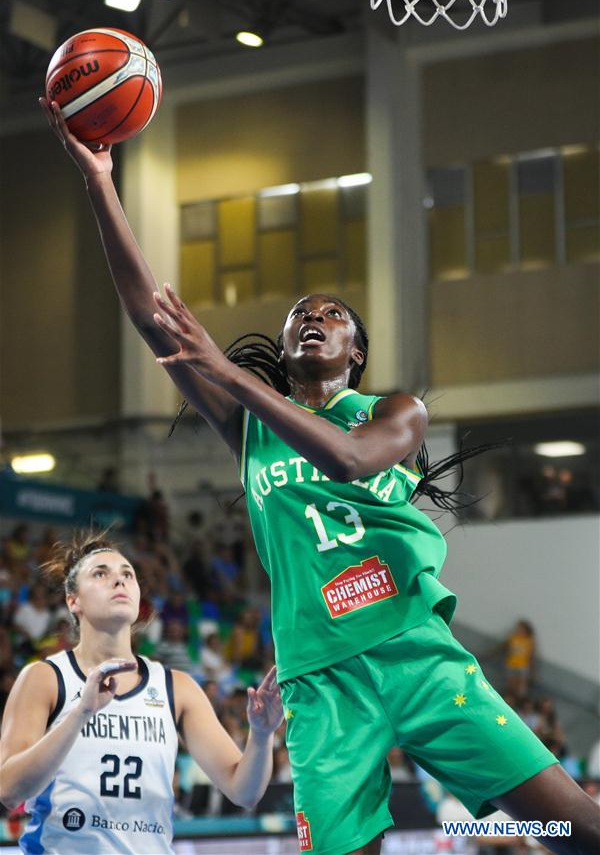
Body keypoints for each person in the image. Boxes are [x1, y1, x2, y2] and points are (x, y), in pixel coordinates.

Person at [38, 98, 600, 855]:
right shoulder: (253, 428)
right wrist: (100, 180)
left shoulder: (394, 412)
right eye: (301, 313)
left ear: (355, 351)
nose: (314, 317)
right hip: (320, 685)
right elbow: (150, 318)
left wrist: (233, 379)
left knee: (570, 827)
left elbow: (348, 458)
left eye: (332, 314)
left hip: (415, 657)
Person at [0, 530, 283, 854]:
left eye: (127, 574)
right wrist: (80, 715)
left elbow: (243, 791)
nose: (119, 581)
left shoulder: (177, 687)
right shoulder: (45, 678)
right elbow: (8, 790)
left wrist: (261, 737)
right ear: (73, 600)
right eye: (101, 574)